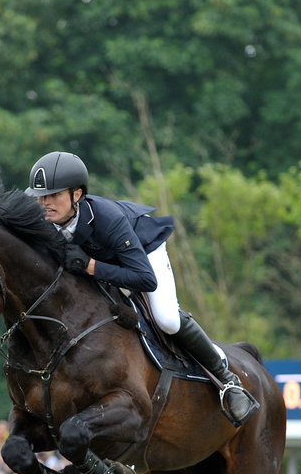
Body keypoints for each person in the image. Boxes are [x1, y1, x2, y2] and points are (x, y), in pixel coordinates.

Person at [25, 150, 259, 425]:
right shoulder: (44, 222)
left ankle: (228, 380)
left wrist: (91, 266)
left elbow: (144, 279)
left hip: (144, 254)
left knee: (167, 319)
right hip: (106, 263)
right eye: (41, 197)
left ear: (77, 195)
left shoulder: (107, 218)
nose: (45, 204)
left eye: (54, 196)